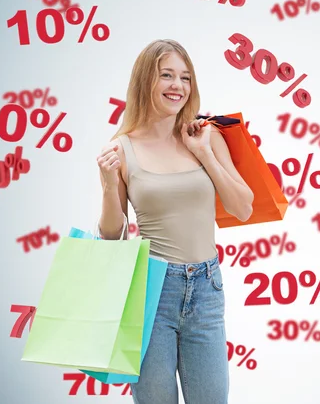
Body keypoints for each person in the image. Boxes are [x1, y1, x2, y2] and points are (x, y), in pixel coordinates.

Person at [96, 39, 254, 404]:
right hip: (152, 289)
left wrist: (205, 157)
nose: (177, 86)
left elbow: (242, 208)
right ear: (144, 81)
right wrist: (108, 185)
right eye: (166, 75)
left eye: (185, 77)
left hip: (206, 288)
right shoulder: (121, 148)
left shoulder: (205, 135)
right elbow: (111, 237)